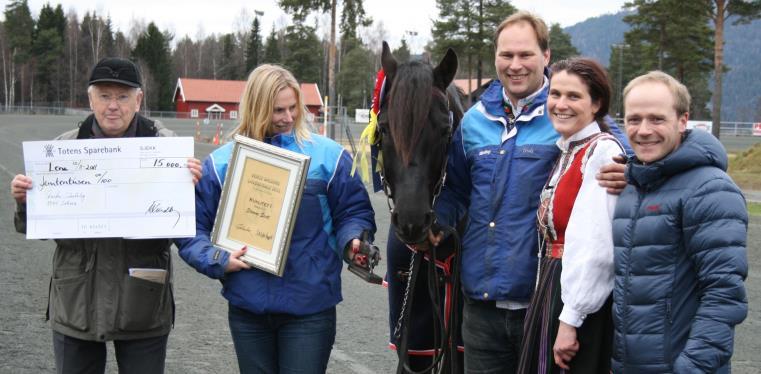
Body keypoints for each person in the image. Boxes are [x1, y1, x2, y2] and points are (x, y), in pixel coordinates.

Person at [431, 11, 630, 373]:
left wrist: (631, 171)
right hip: (480, 305)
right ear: (496, 58)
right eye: (507, 55)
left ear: (546, 56)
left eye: (526, 55)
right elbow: (456, 192)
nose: (516, 65)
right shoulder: (474, 120)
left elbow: (623, 151)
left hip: (541, 301)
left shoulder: (568, 110)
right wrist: (434, 224)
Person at [175, 64, 376, 374]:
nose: (287, 117)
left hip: (310, 307)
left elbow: (353, 211)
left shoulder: (329, 156)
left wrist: (353, 240)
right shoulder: (220, 164)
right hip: (248, 307)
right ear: (256, 109)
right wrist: (216, 257)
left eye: (293, 108)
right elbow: (190, 228)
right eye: (277, 110)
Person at [10, 57, 203, 374]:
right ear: (90, 99)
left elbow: (187, 222)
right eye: (104, 95)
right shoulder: (61, 150)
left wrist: (192, 186)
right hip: (76, 301)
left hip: (144, 300)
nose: (113, 105)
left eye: (123, 96)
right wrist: (26, 201)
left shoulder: (168, 151)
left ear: (138, 100)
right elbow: (38, 227)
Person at [612, 71, 748, 373]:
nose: (644, 130)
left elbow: (724, 295)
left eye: (657, 119)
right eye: (634, 119)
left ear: (683, 120)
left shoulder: (711, 189)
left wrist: (692, 367)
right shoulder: (632, 187)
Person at [516, 57, 622, 373]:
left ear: (596, 103)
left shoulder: (601, 152)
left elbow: (596, 247)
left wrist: (571, 318)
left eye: (573, 96)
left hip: (578, 299)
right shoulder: (571, 150)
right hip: (554, 285)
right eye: (556, 94)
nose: (561, 104)